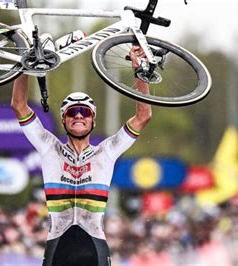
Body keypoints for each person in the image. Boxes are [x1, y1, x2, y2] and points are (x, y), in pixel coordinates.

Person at [11, 46, 152, 266]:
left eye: (85, 112)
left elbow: (143, 116)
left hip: (94, 246)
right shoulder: (50, 147)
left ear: (93, 121)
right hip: (58, 245)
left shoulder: (106, 152)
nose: (78, 115)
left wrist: (139, 72)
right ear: (64, 120)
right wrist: (25, 65)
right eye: (72, 112)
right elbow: (19, 106)